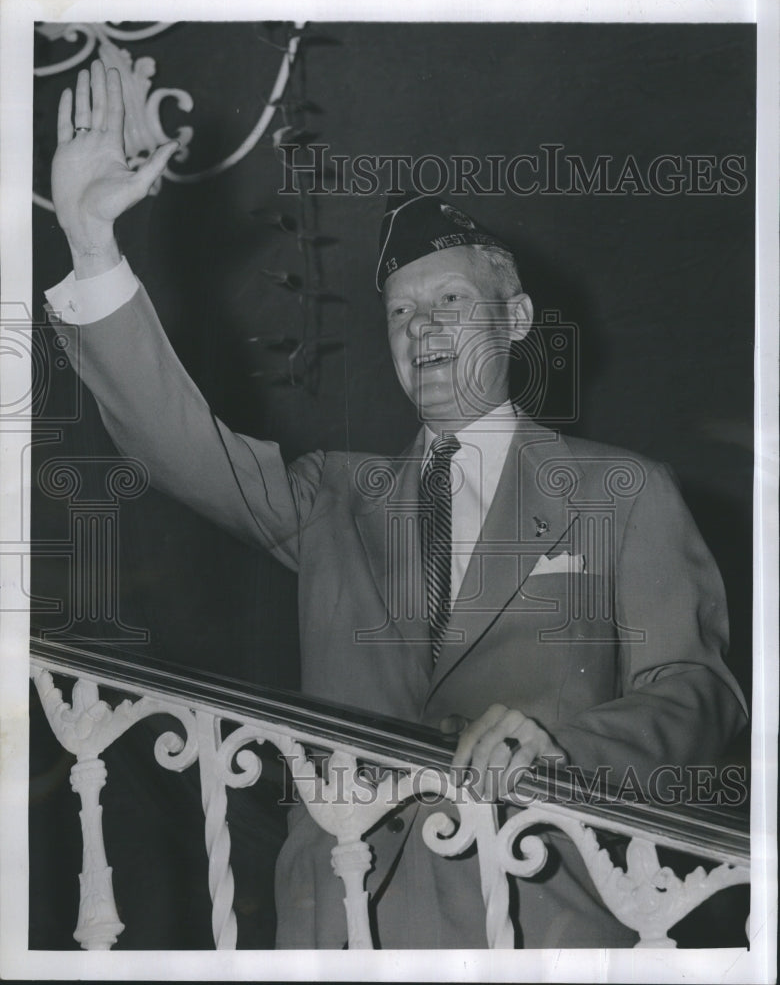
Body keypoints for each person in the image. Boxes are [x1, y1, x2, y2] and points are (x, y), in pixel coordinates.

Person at [44, 61, 747, 949]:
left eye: (450, 301)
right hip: (339, 928)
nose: (421, 329)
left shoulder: (624, 489)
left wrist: (562, 742)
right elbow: (184, 449)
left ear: (519, 319)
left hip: (535, 924)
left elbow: (697, 694)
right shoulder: (333, 494)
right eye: (400, 313)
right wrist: (91, 242)